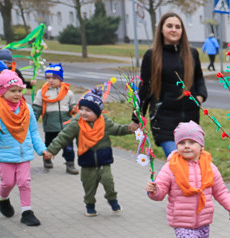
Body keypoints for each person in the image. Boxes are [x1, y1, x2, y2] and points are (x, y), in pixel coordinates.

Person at [42, 87, 139, 217]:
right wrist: (51, 150)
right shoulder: (77, 124)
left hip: (104, 160)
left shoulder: (104, 122)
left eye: (88, 110)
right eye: (81, 109)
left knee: (108, 182)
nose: (83, 113)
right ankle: (90, 205)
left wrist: (129, 129)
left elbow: (117, 129)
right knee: (89, 186)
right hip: (87, 161)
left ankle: (112, 200)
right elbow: (63, 137)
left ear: (97, 112)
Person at [139, 12, 208, 158]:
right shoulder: (152, 55)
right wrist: (138, 117)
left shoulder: (192, 53)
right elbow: (145, 88)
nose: (174, 30)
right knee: (176, 160)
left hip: (190, 119)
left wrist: (200, 96)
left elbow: (198, 78)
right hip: (164, 119)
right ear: (161, 29)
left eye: (178, 27)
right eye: (169, 26)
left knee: (191, 163)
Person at [0, 70, 46, 226]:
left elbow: (33, 132)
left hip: (24, 153)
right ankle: (3, 199)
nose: (17, 94)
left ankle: (27, 212)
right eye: (12, 91)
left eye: (20, 90)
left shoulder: (27, 109)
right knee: (7, 183)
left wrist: (42, 149)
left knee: (24, 182)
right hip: (4, 154)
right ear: (2, 91)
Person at [32, 63, 78, 174]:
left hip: (66, 126)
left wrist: (74, 109)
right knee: (49, 145)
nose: (50, 80)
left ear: (60, 79)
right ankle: (47, 159)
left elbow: (71, 106)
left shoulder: (68, 93)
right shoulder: (42, 93)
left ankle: (70, 163)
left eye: (54, 78)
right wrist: (31, 121)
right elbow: (36, 109)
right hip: (50, 125)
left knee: (68, 146)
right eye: (48, 78)